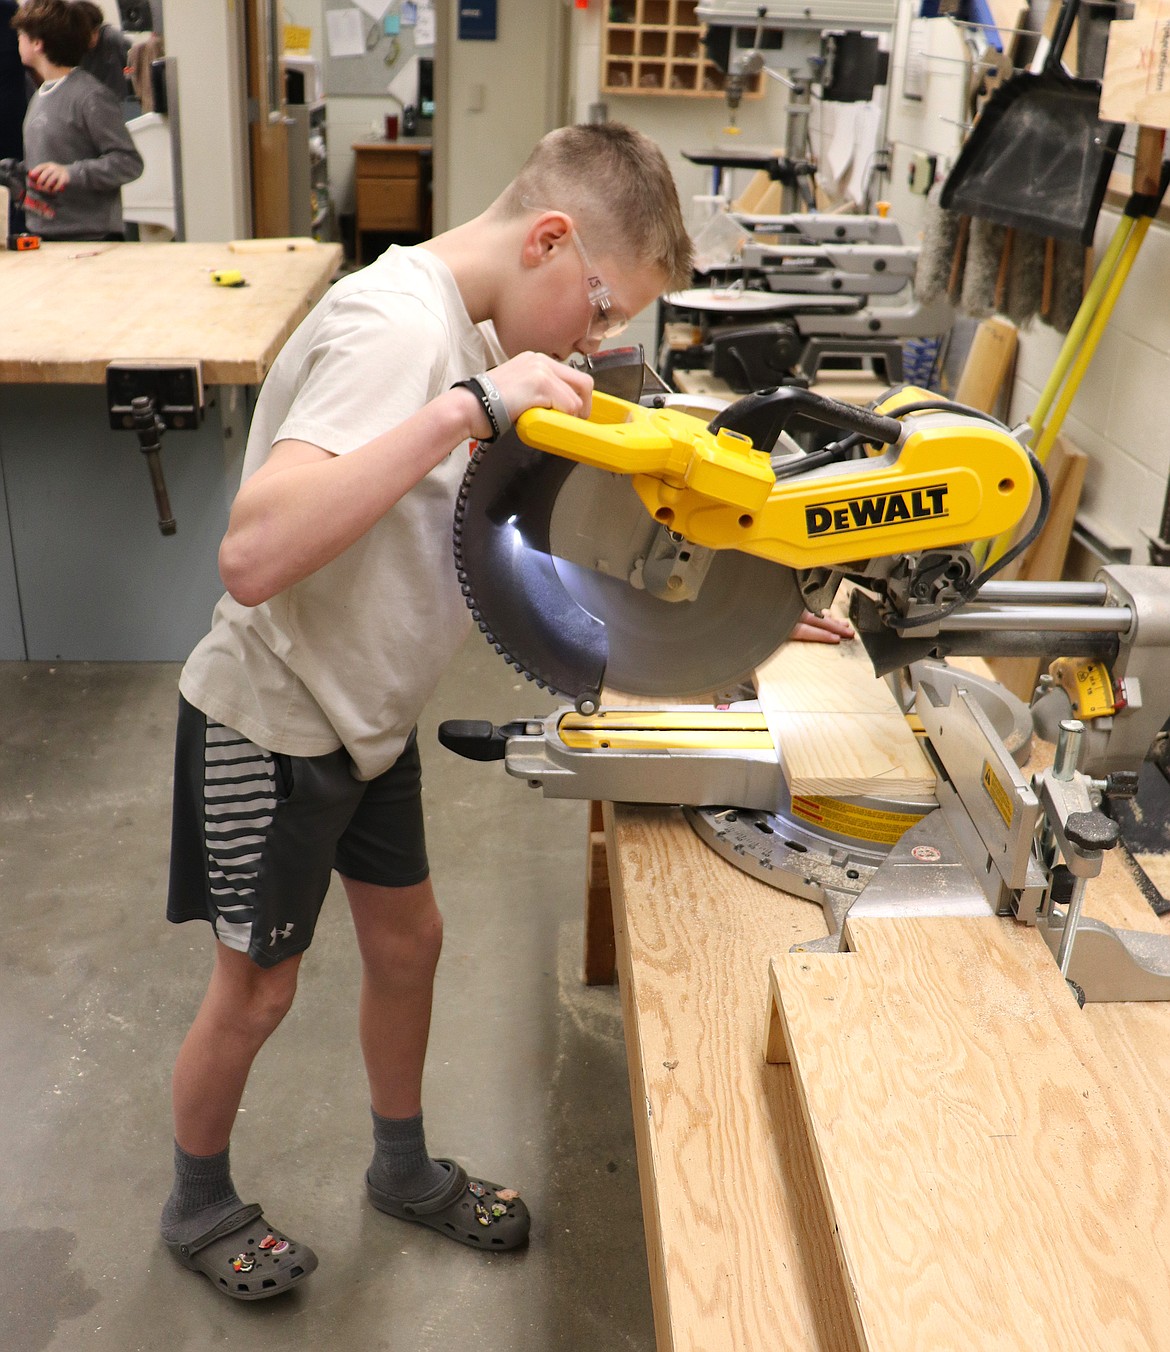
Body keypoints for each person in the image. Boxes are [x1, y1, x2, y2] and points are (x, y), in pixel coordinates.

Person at [159, 122, 695, 1303]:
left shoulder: (468, 339)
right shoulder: (400, 332)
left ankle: (399, 1167)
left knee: (411, 941)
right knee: (257, 989)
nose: (596, 340)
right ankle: (197, 1198)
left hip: (367, 715)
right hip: (276, 715)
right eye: (601, 308)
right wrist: (463, 408)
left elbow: (510, 534)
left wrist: (721, 607)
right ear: (549, 238)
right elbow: (251, 552)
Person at [11, 0, 141, 241]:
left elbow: (128, 162)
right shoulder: (40, 95)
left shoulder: (90, 96)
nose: (17, 41)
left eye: (21, 35)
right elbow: (52, 161)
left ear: (37, 43)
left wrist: (71, 173)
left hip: (92, 239)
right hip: (45, 235)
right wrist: (17, 174)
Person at [74, 1, 132, 104]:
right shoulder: (74, 49)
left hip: (119, 101)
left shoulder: (113, 38)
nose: (92, 38)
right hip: (90, 103)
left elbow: (133, 64)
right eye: (86, 34)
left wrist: (127, 73)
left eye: (95, 31)